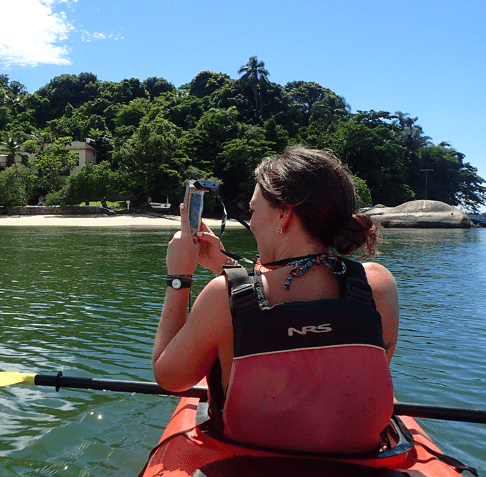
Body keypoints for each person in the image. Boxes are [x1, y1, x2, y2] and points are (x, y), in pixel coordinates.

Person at [152, 146, 400, 454]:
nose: (252, 221)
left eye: (254, 211)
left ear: (285, 212)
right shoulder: (377, 284)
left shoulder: (220, 296)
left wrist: (180, 277)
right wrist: (227, 269)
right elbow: (327, 369)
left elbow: (170, 377)